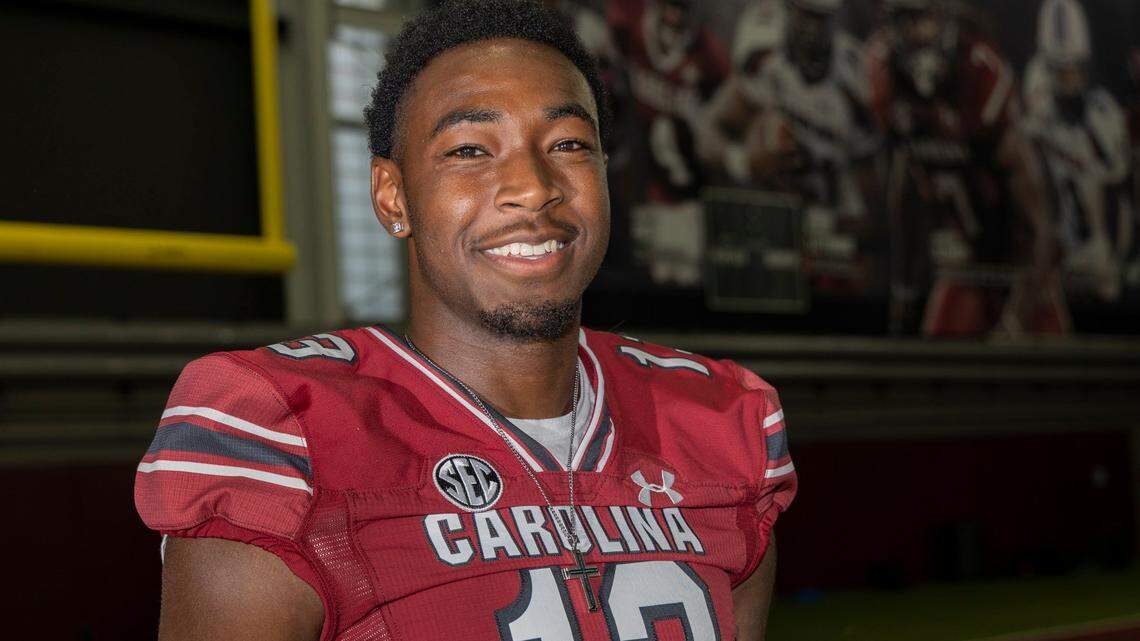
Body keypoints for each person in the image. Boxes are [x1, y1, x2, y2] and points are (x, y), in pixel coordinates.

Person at [133, 1, 797, 640]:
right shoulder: (288, 432)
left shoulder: (721, 422)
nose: (534, 187)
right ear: (393, 197)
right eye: (470, 150)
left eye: (568, 143)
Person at [868, 0, 1062, 336]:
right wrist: (903, 290)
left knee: (1056, 371)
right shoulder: (888, 75)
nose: (914, 33)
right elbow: (905, 184)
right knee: (935, 361)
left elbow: (1039, 226)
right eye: (904, 20)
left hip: (1020, 272)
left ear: (944, 17)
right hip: (968, 267)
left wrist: (1018, 314)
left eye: (921, 18)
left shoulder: (980, 74)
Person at [703, 0, 882, 295]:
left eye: (821, 18)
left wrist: (857, 226)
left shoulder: (853, 67)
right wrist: (744, 162)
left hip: (835, 227)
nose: (812, 28)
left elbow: (873, 177)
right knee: (771, 132)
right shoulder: (766, 59)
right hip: (771, 220)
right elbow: (709, 132)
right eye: (805, 15)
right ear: (789, 12)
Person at [1022, 0, 1134, 303]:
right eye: (1060, 70)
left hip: (1094, 252)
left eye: (1074, 68)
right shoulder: (1038, 101)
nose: (1069, 78)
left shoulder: (1102, 115)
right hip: (1056, 253)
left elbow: (1120, 193)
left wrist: (1118, 256)